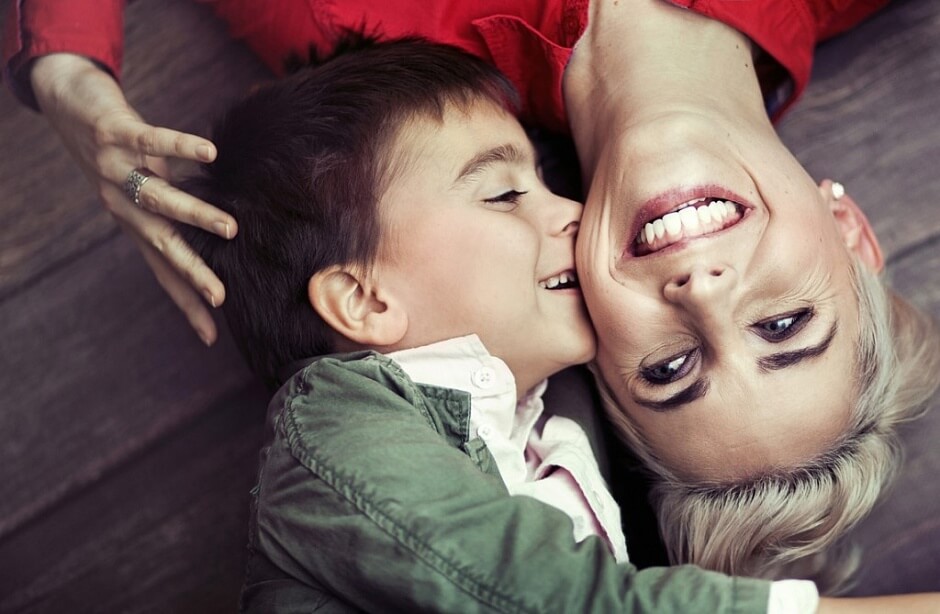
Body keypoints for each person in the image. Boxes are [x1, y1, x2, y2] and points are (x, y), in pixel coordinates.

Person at [4, 0, 938, 594]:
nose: (702, 293)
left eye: (670, 366)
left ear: (589, 334)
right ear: (850, 236)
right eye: (784, 325)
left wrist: (64, 72)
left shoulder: (370, 46)